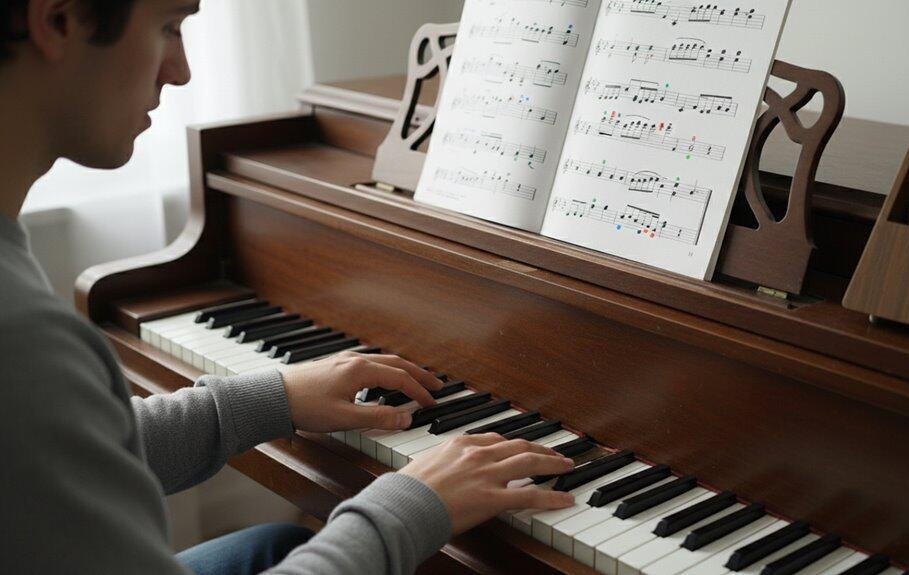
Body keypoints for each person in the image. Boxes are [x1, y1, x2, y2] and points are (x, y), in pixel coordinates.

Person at [0, 1, 576, 573]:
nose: (181, 70)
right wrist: (412, 506)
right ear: (59, 21)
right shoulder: (24, 341)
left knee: (276, 545)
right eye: (169, 25)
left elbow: (65, 454)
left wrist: (266, 399)